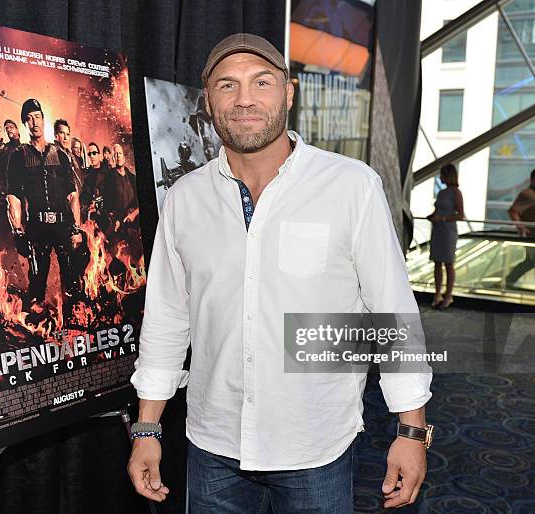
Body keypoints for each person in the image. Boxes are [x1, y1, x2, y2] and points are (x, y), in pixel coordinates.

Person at [127, 33, 433, 512]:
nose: (244, 98)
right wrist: (147, 428)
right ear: (208, 102)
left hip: (315, 445)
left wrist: (412, 430)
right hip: (213, 444)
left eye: (261, 82)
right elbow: (166, 318)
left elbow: (390, 311)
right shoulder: (185, 197)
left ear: (288, 92)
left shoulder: (351, 186)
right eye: (227, 86)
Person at [7, 99, 83, 305]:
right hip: (37, 229)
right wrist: (17, 231)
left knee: (72, 283)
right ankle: (39, 331)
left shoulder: (60, 154)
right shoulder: (18, 156)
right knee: (37, 286)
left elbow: (72, 194)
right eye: (29, 118)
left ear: (43, 119)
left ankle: (76, 324)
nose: (34, 122)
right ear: (25, 123)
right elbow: (13, 197)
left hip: (63, 226)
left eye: (38, 116)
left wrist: (76, 228)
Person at [427, 164, 464, 309]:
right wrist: (433, 216)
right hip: (437, 231)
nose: (440, 177)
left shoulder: (456, 193)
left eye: (442, 175)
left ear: (448, 175)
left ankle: (448, 296)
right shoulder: (442, 192)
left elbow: (460, 215)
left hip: (448, 232)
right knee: (437, 262)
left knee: (448, 263)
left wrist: (442, 219)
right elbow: (437, 210)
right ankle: (437, 294)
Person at [506, 168, 535, 287]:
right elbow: (513, 211)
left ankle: (509, 281)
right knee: (531, 261)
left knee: (530, 261)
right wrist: (521, 227)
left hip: (531, 235)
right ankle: (509, 281)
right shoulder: (528, 194)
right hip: (531, 235)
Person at [53, 119, 84, 195]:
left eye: (67, 134)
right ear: (56, 135)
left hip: (76, 199)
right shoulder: (53, 154)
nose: (65, 138)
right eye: (62, 133)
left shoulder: (70, 156)